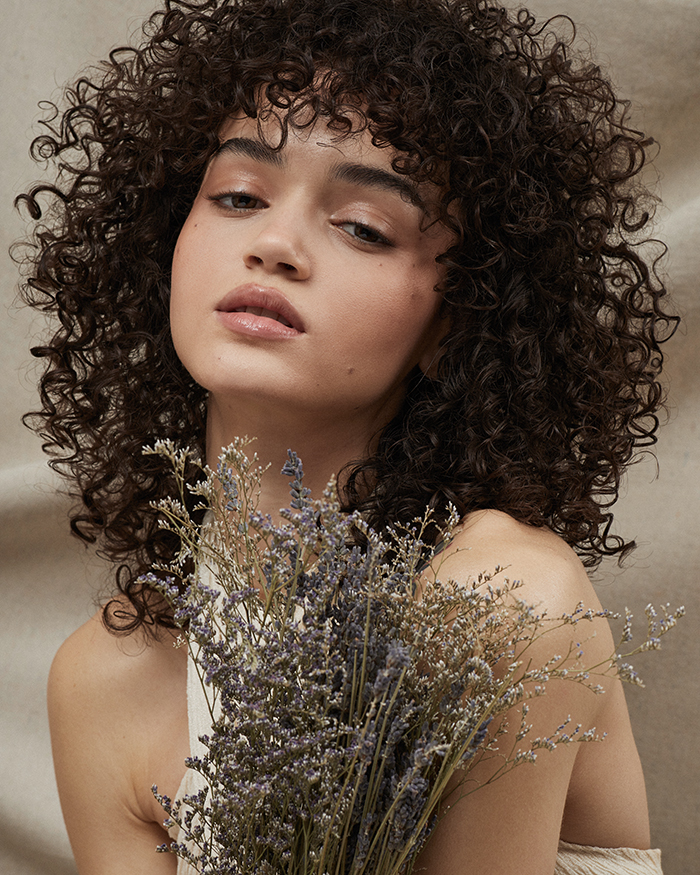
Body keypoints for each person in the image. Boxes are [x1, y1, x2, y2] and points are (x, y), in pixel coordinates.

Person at [16, 0, 677, 872]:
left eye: (365, 226)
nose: (276, 244)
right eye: (238, 196)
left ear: (459, 321)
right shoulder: (102, 679)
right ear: (163, 245)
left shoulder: (500, 601)